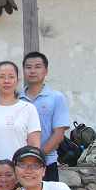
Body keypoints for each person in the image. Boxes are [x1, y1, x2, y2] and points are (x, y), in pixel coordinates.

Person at [20, 51, 70, 182]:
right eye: (28, 67)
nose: (32, 71)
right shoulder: (17, 98)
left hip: (47, 162)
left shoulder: (56, 98)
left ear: (46, 71)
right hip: (19, 164)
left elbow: (59, 134)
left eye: (37, 67)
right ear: (23, 71)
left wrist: (37, 156)